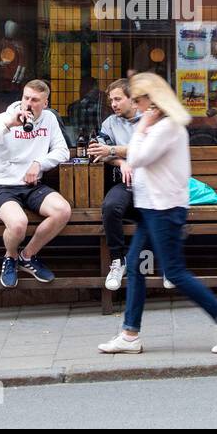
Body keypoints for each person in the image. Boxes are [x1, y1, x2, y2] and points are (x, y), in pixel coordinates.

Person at [98, 73, 217, 355]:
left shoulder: (166, 127)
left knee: (174, 272)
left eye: (140, 101)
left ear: (152, 101)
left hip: (164, 210)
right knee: (138, 268)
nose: (138, 107)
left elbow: (138, 158)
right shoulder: (160, 125)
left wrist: (141, 130)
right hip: (151, 208)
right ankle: (130, 334)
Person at [0, 79, 72, 288]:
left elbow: (63, 151)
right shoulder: (4, 118)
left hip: (31, 185)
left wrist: (39, 163)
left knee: (62, 210)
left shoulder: (49, 120)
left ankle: (27, 255)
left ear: (45, 103)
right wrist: (8, 125)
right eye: (26, 98)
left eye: (35, 100)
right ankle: (10, 257)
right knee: (18, 224)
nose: (29, 104)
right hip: (1, 186)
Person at [88, 78, 141, 290]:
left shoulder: (149, 119)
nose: (114, 104)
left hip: (154, 183)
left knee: (161, 209)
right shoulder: (109, 123)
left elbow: (148, 148)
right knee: (110, 206)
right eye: (111, 100)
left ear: (133, 100)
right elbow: (99, 151)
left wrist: (113, 151)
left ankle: (167, 265)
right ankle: (118, 261)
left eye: (118, 99)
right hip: (126, 183)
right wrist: (121, 162)